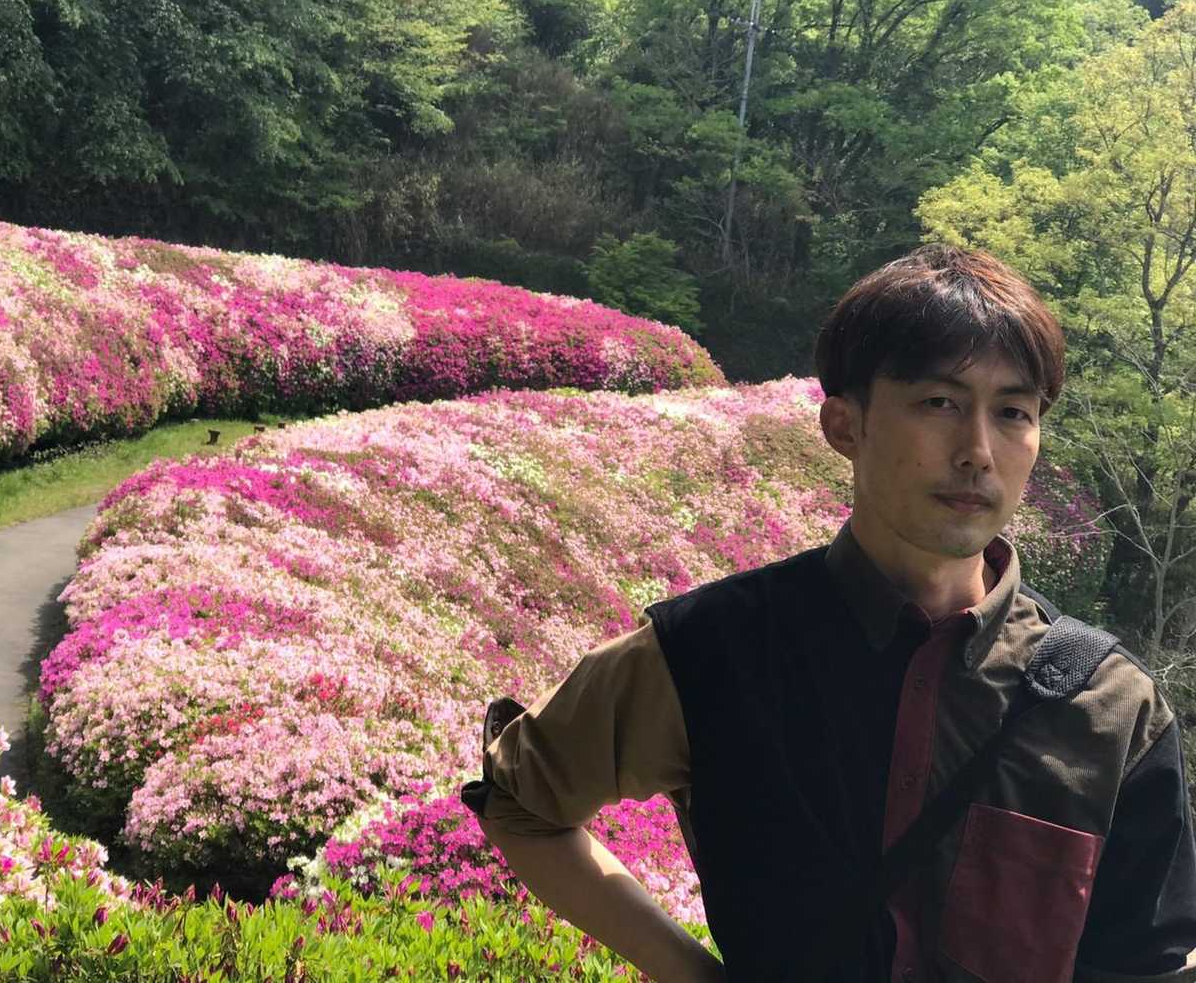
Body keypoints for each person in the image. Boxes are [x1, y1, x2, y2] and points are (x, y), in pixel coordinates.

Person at [463, 245, 1196, 982]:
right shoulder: (713, 649)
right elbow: (520, 802)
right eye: (939, 403)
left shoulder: (1110, 707)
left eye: (1012, 412)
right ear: (845, 426)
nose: (978, 451)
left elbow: (1149, 966)